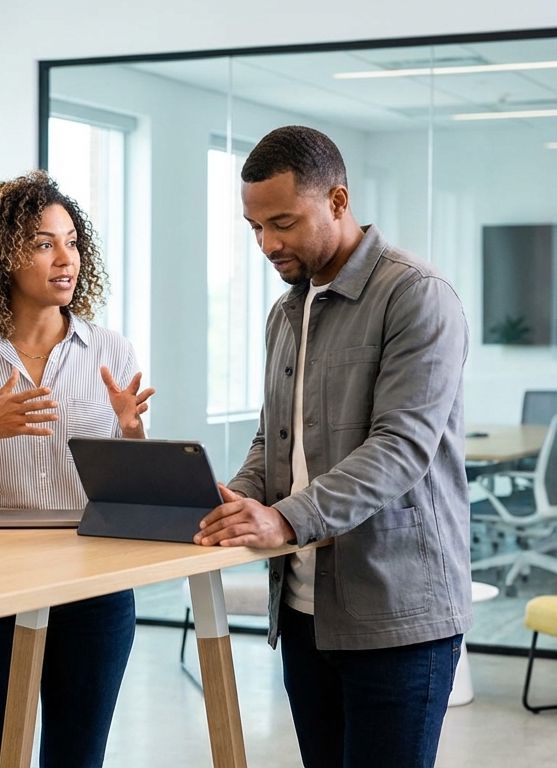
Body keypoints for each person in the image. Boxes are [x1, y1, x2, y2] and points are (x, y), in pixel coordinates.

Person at [194, 125, 471, 768]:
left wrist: (285, 517)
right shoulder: (286, 313)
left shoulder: (415, 295)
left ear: (339, 202)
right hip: (302, 611)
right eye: (255, 227)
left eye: (283, 223)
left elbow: (399, 447)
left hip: (399, 614)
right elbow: (276, 439)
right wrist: (236, 501)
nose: (267, 243)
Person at [0, 170, 153, 768]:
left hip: (93, 585)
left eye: (71, 241)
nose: (64, 258)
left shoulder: (111, 351)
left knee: (77, 756)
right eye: (44, 243)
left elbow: (132, 491)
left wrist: (132, 434)